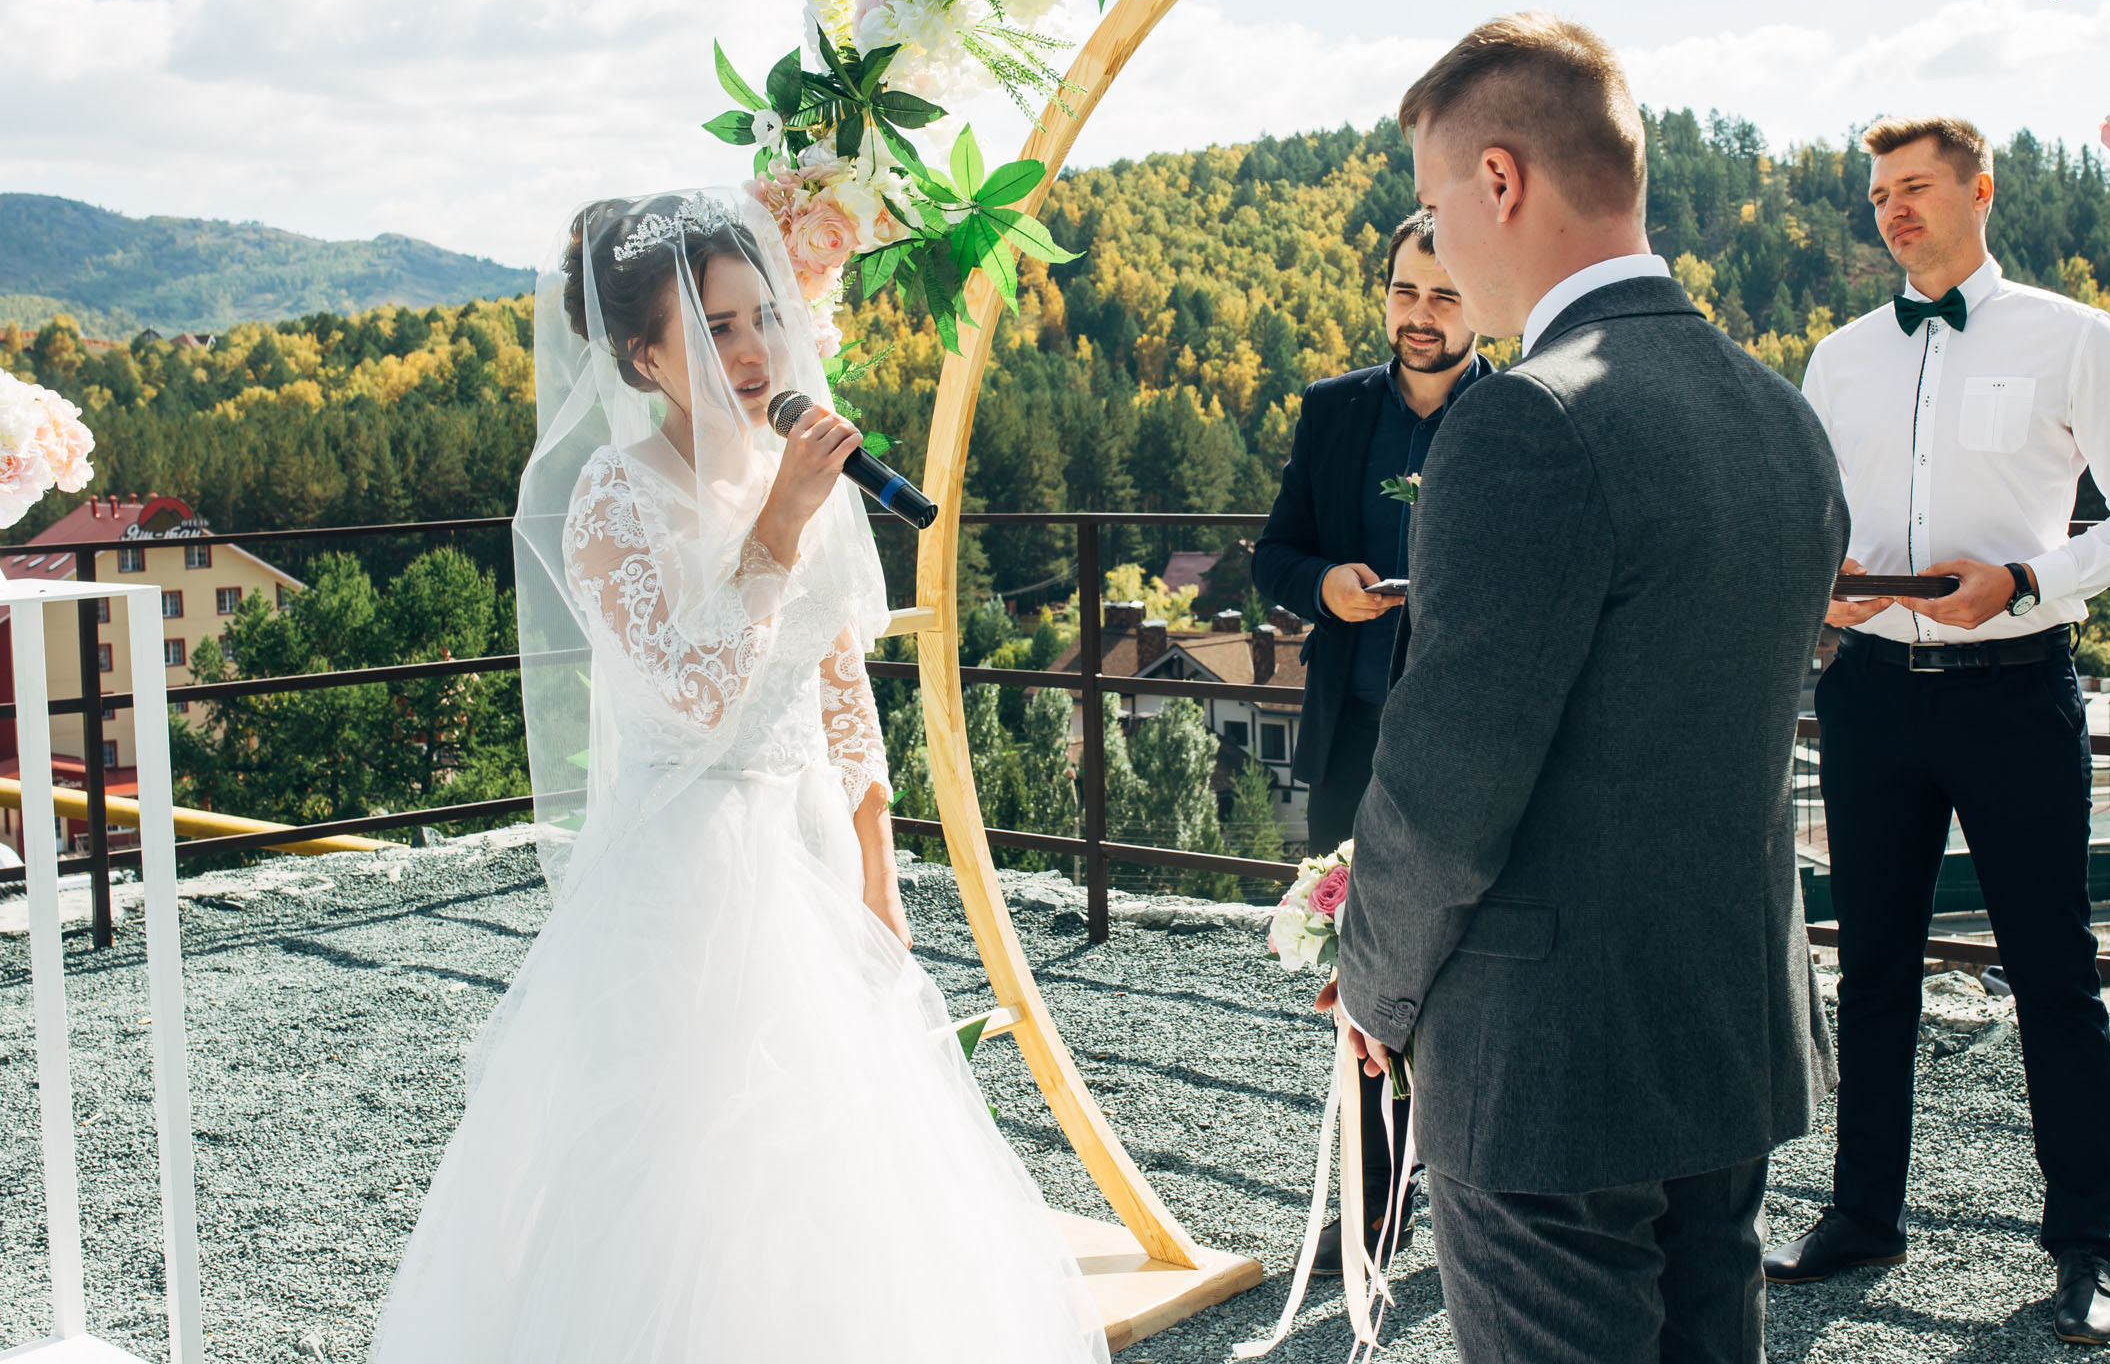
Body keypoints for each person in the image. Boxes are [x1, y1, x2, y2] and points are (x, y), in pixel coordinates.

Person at [369, 189, 1106, 1364]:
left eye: (762, 314)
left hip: (811, 845)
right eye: (715, 328)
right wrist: (777, 523)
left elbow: (841, 687)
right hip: (687, 874)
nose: (757, 348)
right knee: (691, 1171)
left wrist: (880, 872)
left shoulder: (792, 466)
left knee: (845, 1171)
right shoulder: (615, 495)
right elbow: (690, 696)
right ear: (644, 356)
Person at [1332, 13, 1849, 1364]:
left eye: (1438, 208)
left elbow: (1448, 782)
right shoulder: (1775, 411)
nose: (1436, 250)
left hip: (1551, 1064)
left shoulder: (1527, 419)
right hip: (1722, 1025)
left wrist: (1372, 985)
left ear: (1499, 180)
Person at [1766, 117, 2110, 1347]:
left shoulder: (2073, 336)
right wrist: (1822, 582)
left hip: (2016, 688)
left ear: (1979, 191)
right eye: (1879, 194)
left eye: (1916, 188)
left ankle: (2086, 1250)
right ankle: (1862, 1215)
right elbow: (1810, 518)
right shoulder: (1838, 358)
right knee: (1875, 967)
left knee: (2054, 975)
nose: (1893, 209)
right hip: (1871, 692)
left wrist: (2024, 576)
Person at [1252, 206, 1493, 1273]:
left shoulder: (1527, 413)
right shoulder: (1333, 410)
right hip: (1353, 728)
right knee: (1364, 979)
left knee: (1480, 974)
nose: (1422, 315)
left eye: (1445, 295)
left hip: (1481, 744)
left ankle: (1483, 1200)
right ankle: (1377, 1206)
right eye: (1406, 291)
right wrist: (1320, 587)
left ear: (1485, 301)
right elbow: (1275, 553)